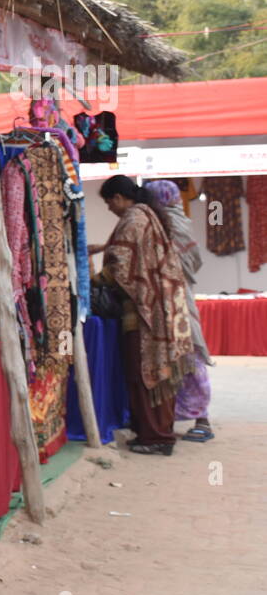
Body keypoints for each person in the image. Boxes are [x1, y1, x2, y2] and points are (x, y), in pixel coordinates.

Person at [90, 176, 193, 456]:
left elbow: (122, 267)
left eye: (110, 201)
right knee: (160, 373)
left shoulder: (133, 219)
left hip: (145, 312)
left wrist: (93, 281)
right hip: (162, 307)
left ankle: (155, 437)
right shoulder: (148, 216)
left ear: (120, 198)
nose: (110, 207)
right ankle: (157, 433)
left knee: (144, 373)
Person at [144, 179, 214, 441]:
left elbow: (187, 261)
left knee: (191, 355)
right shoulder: (175, 220)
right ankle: (178, 417)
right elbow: (194, 261)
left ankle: (202, 420)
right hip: (172, 295)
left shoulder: (169, 223)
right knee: (177, 356)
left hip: (178, 298)